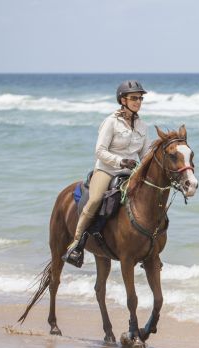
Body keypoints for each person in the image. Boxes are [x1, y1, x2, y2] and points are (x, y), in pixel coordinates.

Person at [63, 80, 150, 267]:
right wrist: (120, 161)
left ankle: (148, 247)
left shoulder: (143, 126)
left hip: (130, 172)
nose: (138, 102)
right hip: (107, 170)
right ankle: (76, 243)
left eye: (140, 98)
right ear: (122, 100)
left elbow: (145, 154)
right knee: (94, 200)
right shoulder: (111, 122)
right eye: (134, 98)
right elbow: (99, 151)